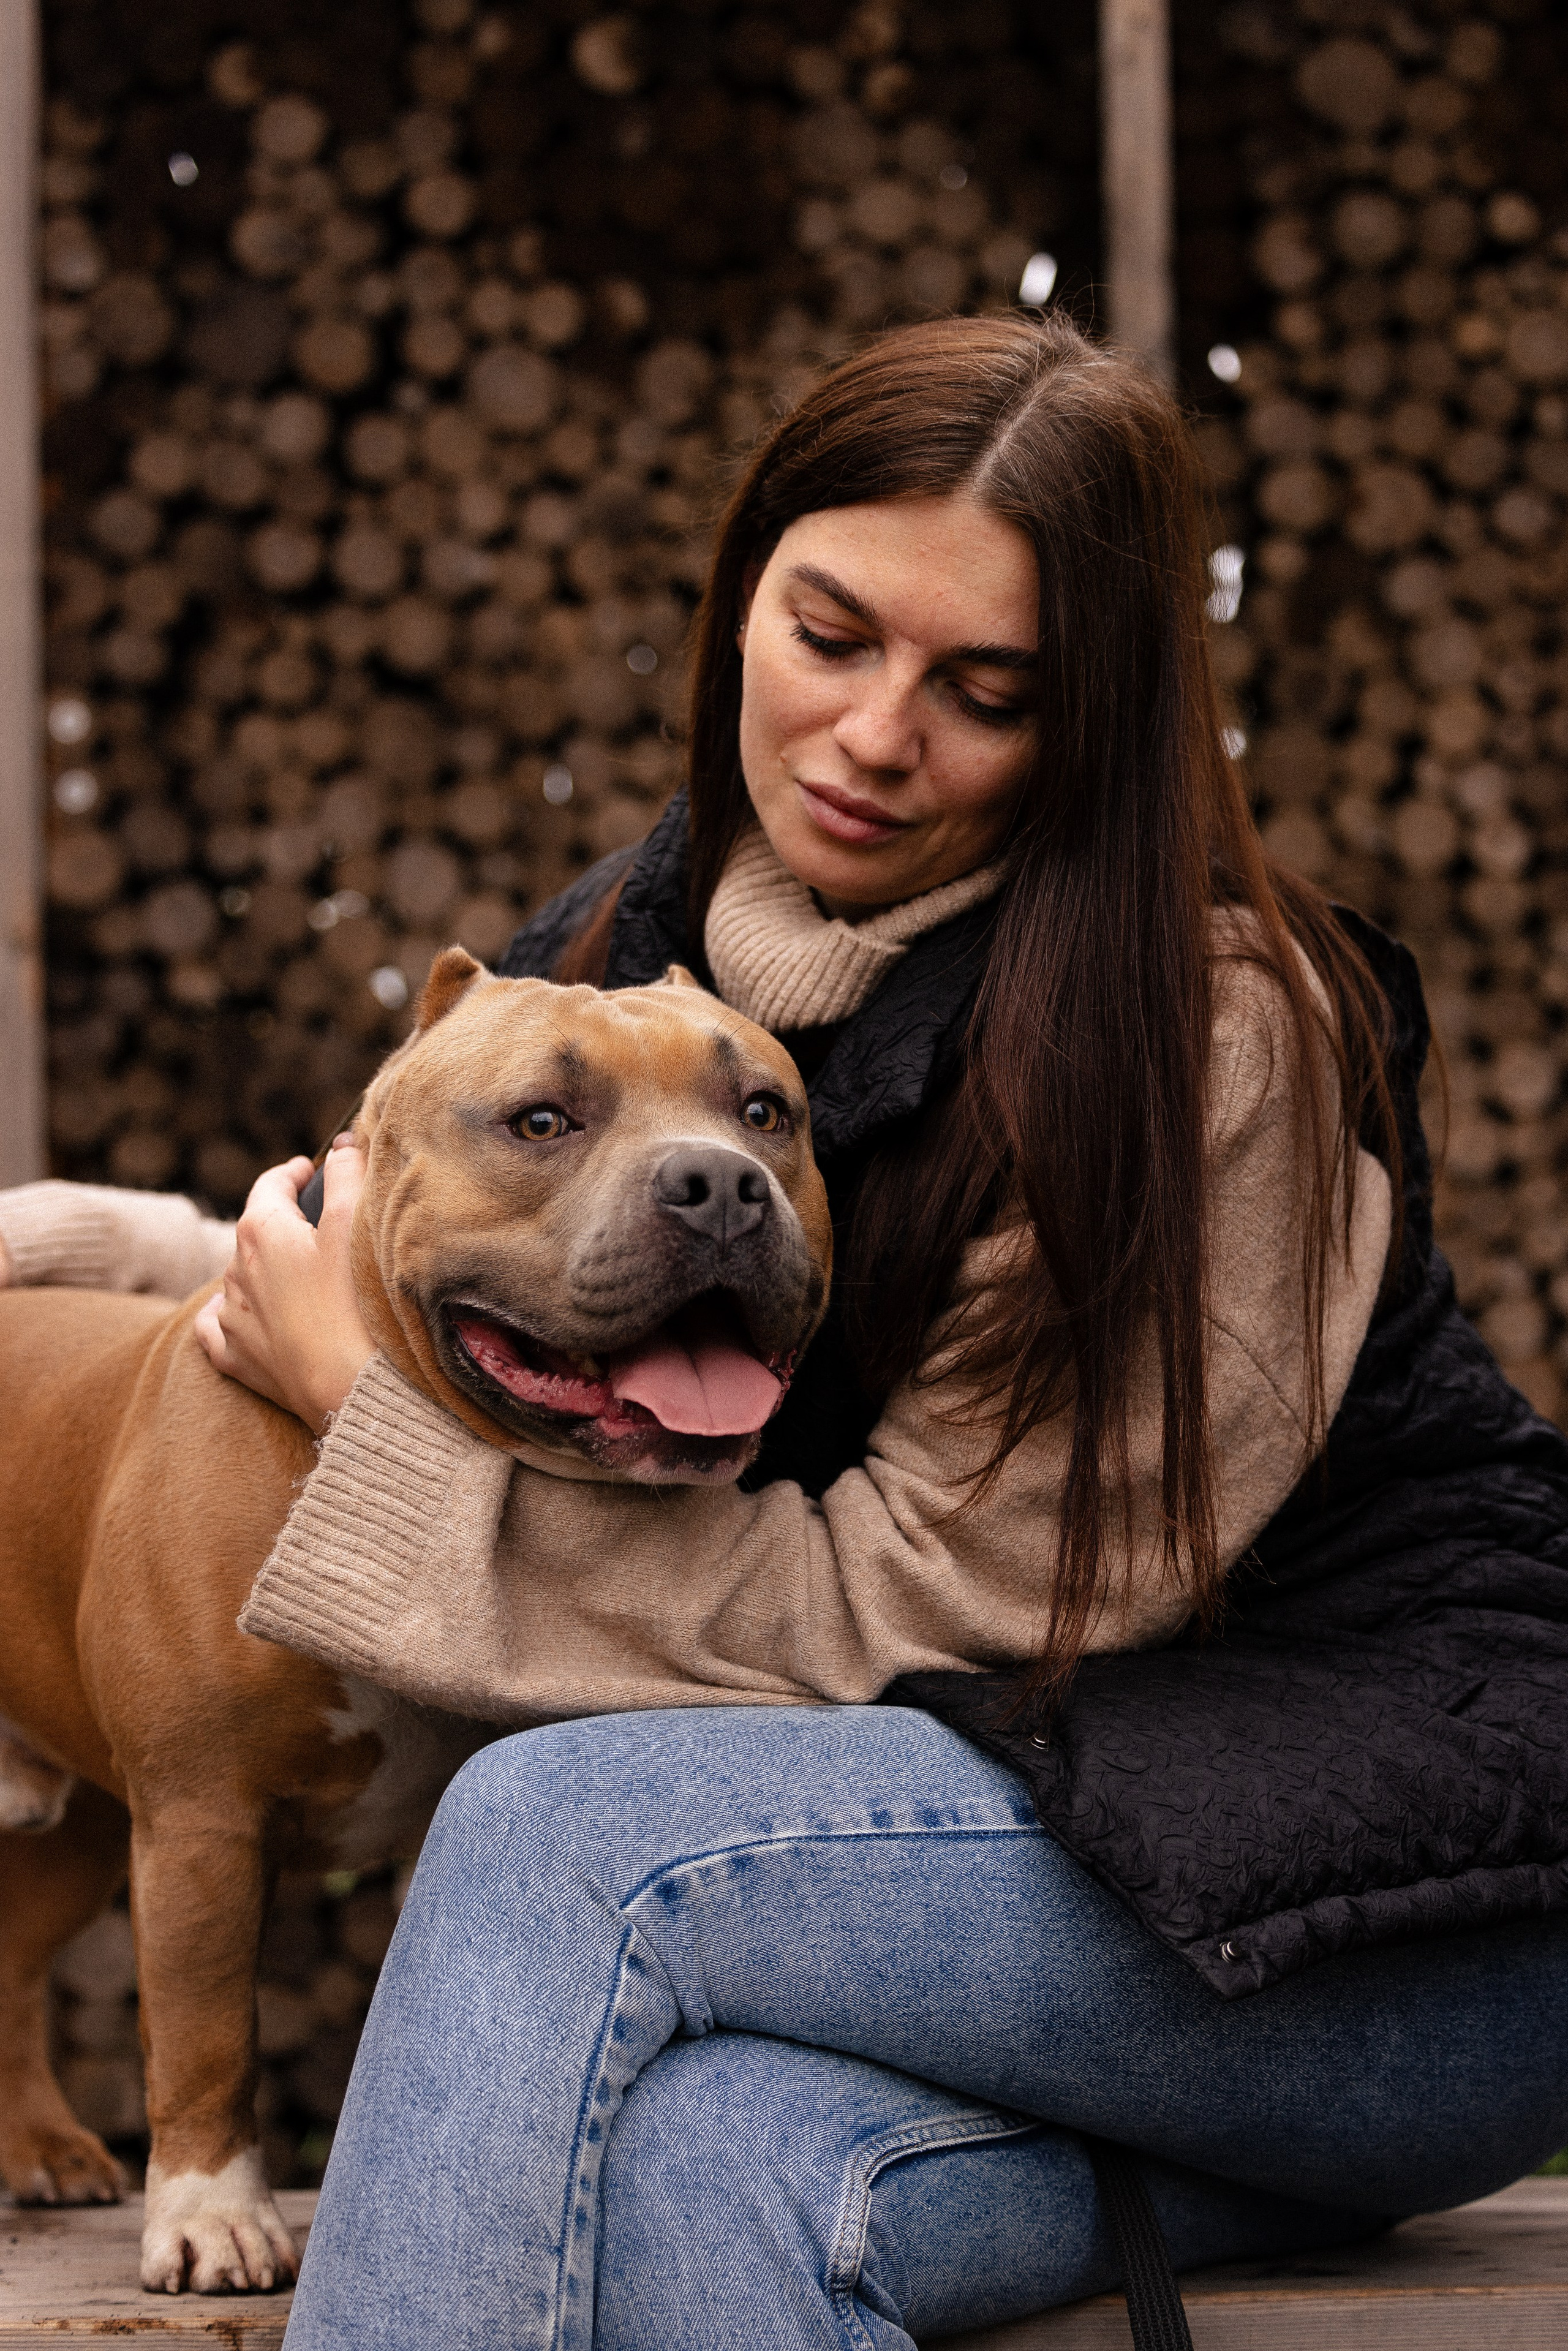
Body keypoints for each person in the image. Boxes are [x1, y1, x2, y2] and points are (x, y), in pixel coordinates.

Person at [4, 315, 1566, 2350]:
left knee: (557, 1834)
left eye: (985, 691)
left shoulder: (1207, 1034)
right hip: (1028, 1953)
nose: (874, 736)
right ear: (737, 598)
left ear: (1096, 726)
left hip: (1390, 1922)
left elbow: (920, 1604)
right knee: (695, 2176)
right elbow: (413, 1250)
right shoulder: (630, 952)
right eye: (828, 633)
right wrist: (158, 1254)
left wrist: (358, 1422)